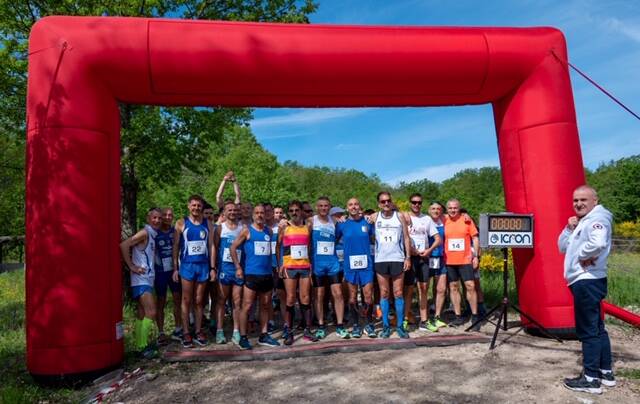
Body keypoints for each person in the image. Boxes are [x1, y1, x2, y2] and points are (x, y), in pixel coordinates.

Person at [559, 185, 615, 394]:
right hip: (589, 280)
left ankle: (591, 378)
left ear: (595, 201)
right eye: (575, 200)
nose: (579, 204)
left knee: (588, 330)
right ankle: (605, 372)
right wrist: (569, 228)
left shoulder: (596, 219)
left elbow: (598, 242)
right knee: (597, 327)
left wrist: (582, 255)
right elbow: (562, 246)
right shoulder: (584, 221)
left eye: (584, 199)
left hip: (586, 280)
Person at [230, 204, 281, 349]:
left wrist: (276, 265)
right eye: (257, 213)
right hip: (251, 275)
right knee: (246, 306)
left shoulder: (269, 231)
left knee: (265, 306)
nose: (260, 215)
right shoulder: (247, 231)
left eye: (262, 213)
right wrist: (238, 267)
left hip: (267, 274)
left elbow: (272, 250)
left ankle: (263, 335)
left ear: (265, 215)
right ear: (253, 215)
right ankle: (243, 337)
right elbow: (232, 248)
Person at [172, 195, 216, 348]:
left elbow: (211, 246)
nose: (196, 208)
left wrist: (212, 268)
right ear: (188, 206)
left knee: (199, 301)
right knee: (186, 300)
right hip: (187, 266)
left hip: (203, 266)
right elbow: (176, 247)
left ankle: (198, 331)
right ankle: (185, 332)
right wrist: (175, 268)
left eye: (199, 206)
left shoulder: (208, 223)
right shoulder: (181, 223)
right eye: (194, 205)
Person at [369, 192, 412, 339]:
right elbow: (356, 218)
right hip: (381, 259)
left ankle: (400, 327)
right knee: (384, 293)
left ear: (391, 202)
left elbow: (406, 238)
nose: (386, 203)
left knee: (398, 292)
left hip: (398, 258)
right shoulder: (374, 217)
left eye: (388, 201)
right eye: (383, 201)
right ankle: (386, 327)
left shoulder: (400, 216)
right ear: (378, 203)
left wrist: (408, 257)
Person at [120, 208, 162, 358]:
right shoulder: (145, 232)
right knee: (152, 312)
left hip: (147, 279)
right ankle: (143, 347)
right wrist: (131, 265)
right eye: (154, 217)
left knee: (142, 313)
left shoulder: (152, 234)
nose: (157, 221)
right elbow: (124, 245)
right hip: (141, 279)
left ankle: (140, 345)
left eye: (159, 218)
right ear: (149, 218)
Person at [277, 200, 318, 345]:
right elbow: (278, 246)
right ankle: (288, 330)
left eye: (297, 210)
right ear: (289, 212)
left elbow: (310, 246)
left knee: (306, 298)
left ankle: (307, 330)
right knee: (290, 298)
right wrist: (280, 264)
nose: (294, 213)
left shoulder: (308, 227)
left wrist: (311, 263)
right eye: (292, 210)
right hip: (289, 267)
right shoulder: (284, 227)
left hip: (305, 266)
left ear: (301, 211)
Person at [336, 198, 377, 339]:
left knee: (368, 296)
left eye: (356, 204)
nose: (353, 207)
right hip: (350, 266)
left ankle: (369, 324)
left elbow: (376, 237)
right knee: (352, 298)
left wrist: (372, 216)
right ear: (347, 208)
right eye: (350, 205)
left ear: (360, 207)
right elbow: (333, 242)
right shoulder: (342, 224)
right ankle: (356, 325)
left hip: (367, 265)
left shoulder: (368, 222)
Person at [311, 197, 349, 339]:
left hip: (332, 263)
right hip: (317, 264)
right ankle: (321, 326)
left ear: (329, 207)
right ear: (317, 207)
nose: (323, 208)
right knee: (319, 296)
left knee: (338, 294)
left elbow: (340, 237)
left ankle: (339, 325)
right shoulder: (311, 221)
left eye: (326, 206)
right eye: (321, 206)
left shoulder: (335, 222)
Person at [403, 194, 441, 332]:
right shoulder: (403, 217)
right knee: (408, 290)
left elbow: (438, 239)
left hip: (424, 257)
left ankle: (424, 321)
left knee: (424, 288)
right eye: (414, 202)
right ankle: (405, 318)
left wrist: (429, 250)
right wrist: (410, 251)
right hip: (410, 257)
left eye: (419, 203)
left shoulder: (427, 219)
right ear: (410, 203)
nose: (416, 205)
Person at [443, 199, 481, 329]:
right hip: (449, 260)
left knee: (470, 286)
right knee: (453, 287)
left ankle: (475, 316)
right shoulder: (444, 220)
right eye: (450, 208)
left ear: (459, 209)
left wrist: (476, 256)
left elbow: (475, 237)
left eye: (455, 208)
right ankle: (458, 316)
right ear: (447, 209)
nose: (453, 210)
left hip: (465, 260)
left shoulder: (466, 220)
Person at [213, 201, 245, 345]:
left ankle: (236, 331)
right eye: (229, 210)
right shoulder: (220, 228)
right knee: (221, 300)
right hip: (224, 270)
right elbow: (215, 248)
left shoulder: (243, 228)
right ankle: (219, 331)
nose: (232, 212)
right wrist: (213, 268)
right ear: (224, 213)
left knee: (237, 301)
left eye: (234, 210)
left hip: (238, 270)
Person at [153, 207, 183, 344]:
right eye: (165, 215)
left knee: (177, 300)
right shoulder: (154, 232)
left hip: (173, 271)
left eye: (171, 215)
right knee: (161, 302)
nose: (168, 217)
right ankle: (160, 332)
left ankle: (178, 329)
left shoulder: (175, 232)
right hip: (159, 272)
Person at [427, 202, 448, 329]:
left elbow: (458, 216)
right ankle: (423, 317)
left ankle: (437, 316)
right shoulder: (424, 220)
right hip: (427, 258)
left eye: (438, 209)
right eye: (433, 208)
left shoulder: (445, 221)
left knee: (441, 289)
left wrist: (465, 214)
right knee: (424, 289)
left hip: (441, 258)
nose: (435, 211)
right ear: (429, 210)